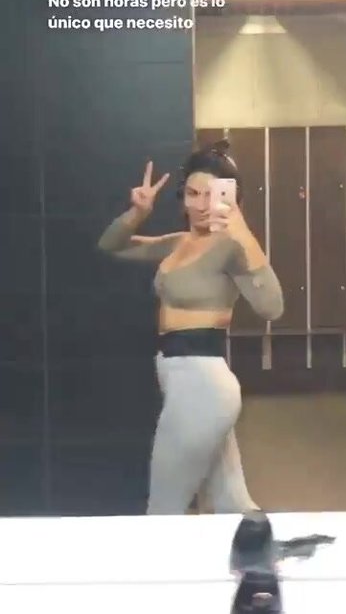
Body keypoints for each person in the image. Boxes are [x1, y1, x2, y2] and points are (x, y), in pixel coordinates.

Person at [97, 139, 284, 515]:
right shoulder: (178, 243)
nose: (200, 204)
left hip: (203, 383)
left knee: (163, 509)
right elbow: (111, 245)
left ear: (231, 199)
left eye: (211, 194)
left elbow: (272, 307)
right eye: (193, 193)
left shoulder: (231, 247)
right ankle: (261, 550)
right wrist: (138, 212)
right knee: (234, 504)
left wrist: (243, 233)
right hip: (180, 377)